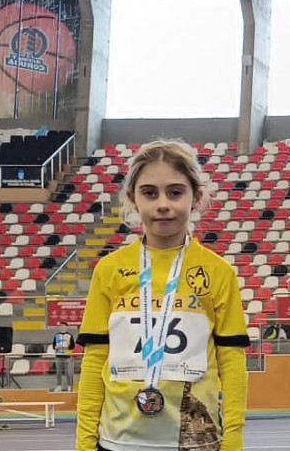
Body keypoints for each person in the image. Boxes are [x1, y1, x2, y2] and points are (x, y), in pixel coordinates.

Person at [75, 140, 250, 451]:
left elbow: (232, 363)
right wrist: (84, 444)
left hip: (197, 442)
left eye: (175, 192)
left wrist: (233, 441)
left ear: (196, 197)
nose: (163, 203)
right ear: (133, 198)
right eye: (150, 192)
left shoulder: (219, 272)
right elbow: (94, 361)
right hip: (118, 441)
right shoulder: (109, 270)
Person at [54, 321, 76, 392]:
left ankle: (69, 386)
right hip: (58, 356)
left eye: (63, 326)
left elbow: (72, 346)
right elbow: (53, 346)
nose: (62, 327)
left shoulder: (70, 336)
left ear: (66, 327)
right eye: (60, 326)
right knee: (58, 372)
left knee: (68, 372)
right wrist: (56, 347)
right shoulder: (56, 335)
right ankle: (59, 386)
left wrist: (64, 347)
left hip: (67, 356)